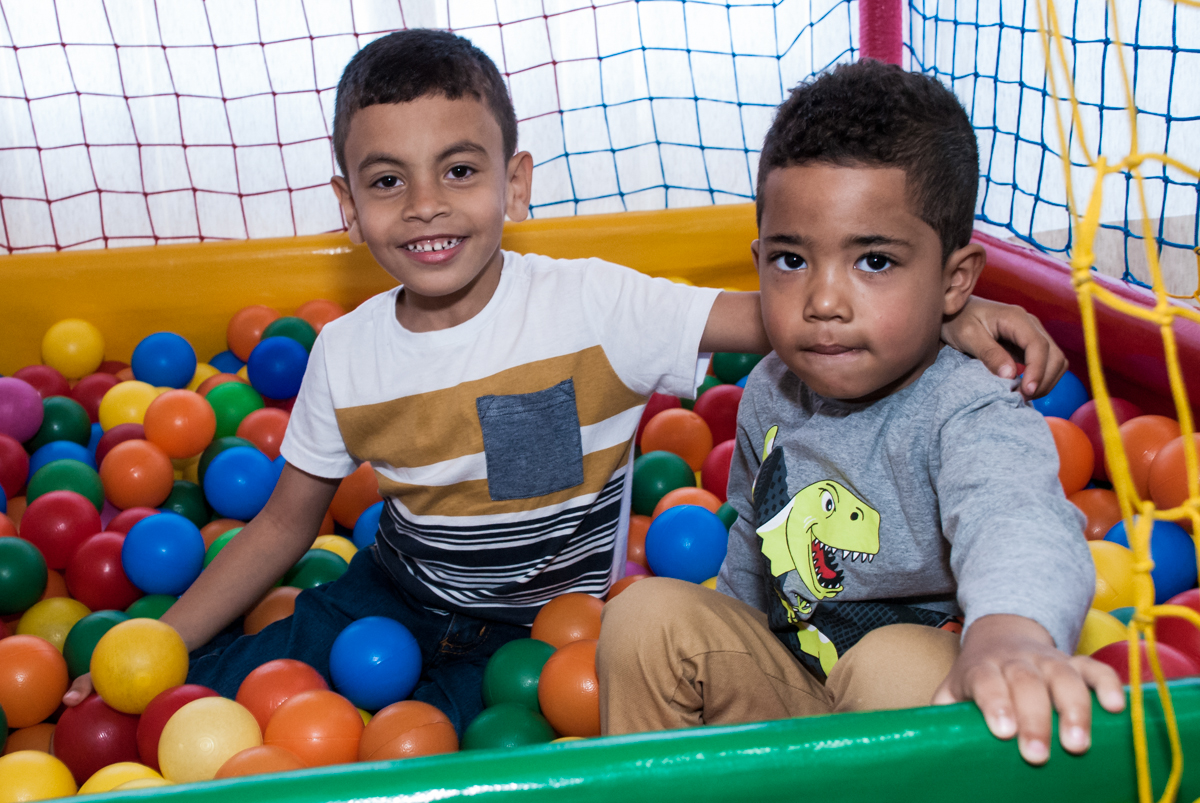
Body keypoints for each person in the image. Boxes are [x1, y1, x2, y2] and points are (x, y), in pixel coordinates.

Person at [63, 33, 1068, 734]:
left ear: (516, 183)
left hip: (543, 630)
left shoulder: (593, 305)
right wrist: (153, 639)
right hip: (400, 590)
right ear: (347, 204)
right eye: (386, 181)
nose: (424, 206)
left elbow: (1000, 500)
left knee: (474, 733)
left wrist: (945, 316)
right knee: (207, 695)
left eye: (459, 170)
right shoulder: (347, 356)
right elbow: (285, 527)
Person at [597, 59, 1125, 766]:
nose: (823, 300)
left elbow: (1018, 518)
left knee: (893, 661)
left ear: (955, 281)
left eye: (872, 261)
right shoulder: (769, 390)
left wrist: (1011, 634)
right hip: (794, 695)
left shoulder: (966, 404)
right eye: (790, 261)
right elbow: (756, 558)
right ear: (756, 262)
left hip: (922, 709)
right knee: (644, 615)